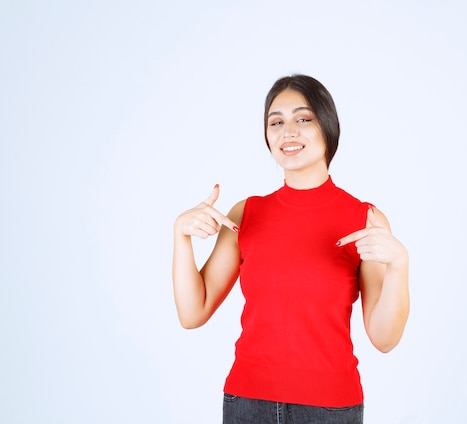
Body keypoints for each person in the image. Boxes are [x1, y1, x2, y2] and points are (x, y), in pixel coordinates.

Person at [172, 74, 410, 424]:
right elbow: (193, 313)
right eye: (276, 122)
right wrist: (181, 237)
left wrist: (399, 265)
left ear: (327, 127)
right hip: (246, 404)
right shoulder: (245, 213)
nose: (288, 132)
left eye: (303, 119)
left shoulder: (365, 219)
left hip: (330, 408)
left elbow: (384, 339)